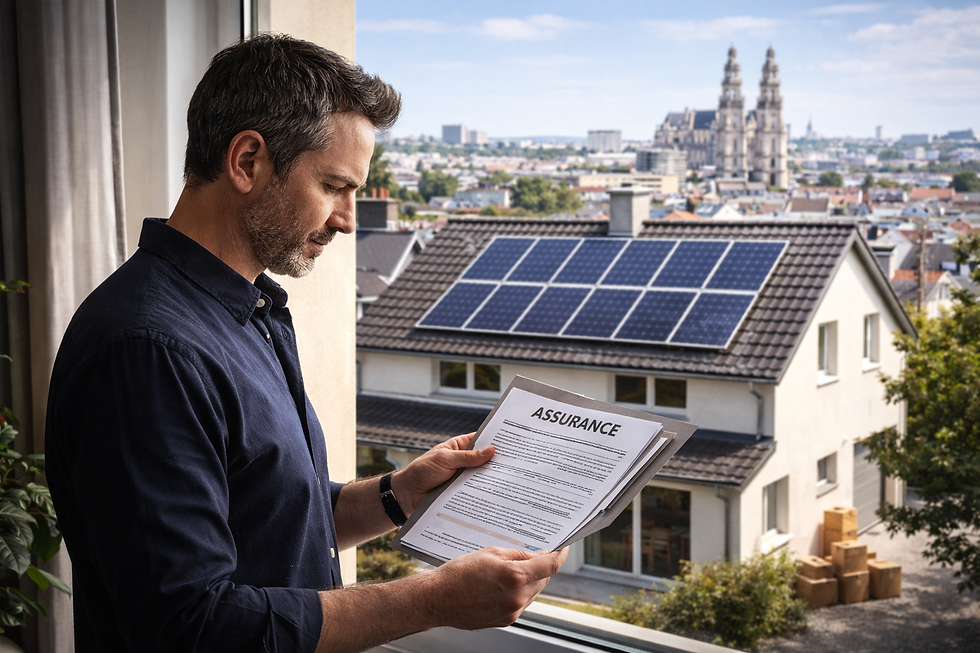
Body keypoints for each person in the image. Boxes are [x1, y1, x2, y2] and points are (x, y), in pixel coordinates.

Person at [45, 34, 567, 653]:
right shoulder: (148, 352)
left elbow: (270, 518)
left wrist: (399, 493)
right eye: (334, 186)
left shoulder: (249, 310)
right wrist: (432, 600)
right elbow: (188, 627)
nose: (348, 219)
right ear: (246, 161)